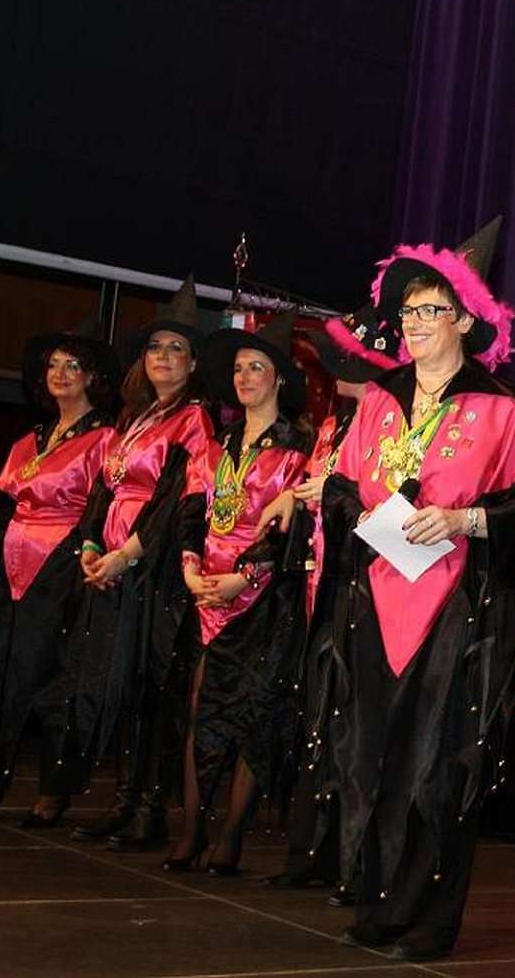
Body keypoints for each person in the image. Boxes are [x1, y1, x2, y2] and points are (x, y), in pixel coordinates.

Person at [320, 219, 515, 960]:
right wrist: (365, 517)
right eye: (408, 311)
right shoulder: (378, 400)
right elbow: (338, 487)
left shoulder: (501, 407)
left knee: (439, 761)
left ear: (466, 322)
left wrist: (463, 519)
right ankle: (378, 903)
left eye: (431, 310)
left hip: (458, 610)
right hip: (377, 598)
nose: (415, 323)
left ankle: (428, 919)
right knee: (373, 755)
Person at [0, 323, 119, 825]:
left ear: (91, 377)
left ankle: (54, 790)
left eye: (72, 365)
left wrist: (84, 556)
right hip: (12, 567)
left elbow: (103, 505)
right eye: (53, 365)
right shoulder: (29, 440)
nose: (60, 373)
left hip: (62, 566)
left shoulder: (105, 439)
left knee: (53, 679)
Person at [162, 313, 313, 873]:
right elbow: (191, 513)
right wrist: (189, 567)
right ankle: (191, 830)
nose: (245, 377)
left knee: (253, 713)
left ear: (279, 379)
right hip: (207, 592)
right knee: (199, 708)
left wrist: (245, 577)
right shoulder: (216, 445)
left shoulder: (300, 448)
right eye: (239, 368)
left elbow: (292, 531)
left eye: (257, 367)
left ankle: (230, 837)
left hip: (263, 597)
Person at [69, 276, 214, 852]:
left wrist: (127, 555)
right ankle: (124, 800)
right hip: (114, 565)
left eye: (177, 348)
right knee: (122, 684)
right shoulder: (133, 418)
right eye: (155, 347)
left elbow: (177, 501)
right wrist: (89, 546)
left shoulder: (194, 420)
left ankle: (151, 808)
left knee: (156, 685)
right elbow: (103, 488)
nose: (163, 356)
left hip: (155, 571)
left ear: (194, 363)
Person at [260, 315, 389, 900]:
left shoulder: (386, 425)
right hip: (323, 579)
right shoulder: (335, 425)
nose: (334, 369)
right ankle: (310, 849)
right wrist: (299, 495)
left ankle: (348, 858)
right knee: (319, 715)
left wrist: (332, 493)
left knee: (351, 721)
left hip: (363, 579)